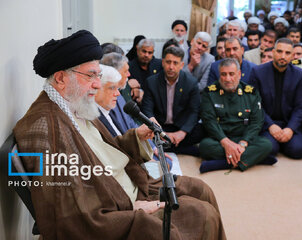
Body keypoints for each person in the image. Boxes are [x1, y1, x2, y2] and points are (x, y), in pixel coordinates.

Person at [15, 30, 225, 239]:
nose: (97, 84)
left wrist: (135, 137)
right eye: (90, 75)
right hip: (113, 212)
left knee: (200, 189)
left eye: (97, 75)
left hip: (128, 185)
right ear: (61, 78)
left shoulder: (75, 104)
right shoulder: (45, 127)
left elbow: (102, 151)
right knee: (203, 214)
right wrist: (134, 210)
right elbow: (69, 214)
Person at [199, 58, 273, 173]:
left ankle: (221, 163)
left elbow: (256, 122)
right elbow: (209, 121)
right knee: (204, 146)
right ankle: (250, 159)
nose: (227, 79)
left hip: (243, 138)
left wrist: (242, 144)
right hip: (220, 139)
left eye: (231, 74)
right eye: (223, 74)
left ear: (239, 74)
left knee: (267, 144)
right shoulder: (209, 93)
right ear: (219, 75)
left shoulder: (251, 93)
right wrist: (226, 143)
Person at [96, 64, 173, 169]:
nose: (118, 94)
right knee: (161, 169)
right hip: (123, 161)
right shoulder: (91, 117)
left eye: (117, 88)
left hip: (133, 149)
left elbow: (130, 122)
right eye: (112, 88)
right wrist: (140, 157)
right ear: (96, 89)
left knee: (167, 163)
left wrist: (152, 146)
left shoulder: (117, 98)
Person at [249, 38, 302, 159]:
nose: (283, 56)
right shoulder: (258, 72)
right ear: (274, 52)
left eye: (287, 53)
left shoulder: (298, 74)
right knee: (271, 149)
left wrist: (290, 129)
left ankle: (283, 141)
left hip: (288, 122)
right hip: (266, 122)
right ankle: (276, 142)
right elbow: (254, 104)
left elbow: (300, 106)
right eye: (279, 51)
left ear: (292, 56)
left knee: (298, 150)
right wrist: (270, 125)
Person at [142, 46, 203, 156]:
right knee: (142, 129)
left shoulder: (191, 83)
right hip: (159, 126)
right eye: (168, 62)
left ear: (181, 65)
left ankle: (166, 146)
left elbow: (195, 111)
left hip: (180, 127)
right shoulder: (151, 82)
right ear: (162, 63)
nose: (171, 67)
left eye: (175, 63)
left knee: (201, 129)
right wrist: (159, 131)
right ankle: (179, 148)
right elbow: (147, 110)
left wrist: (182, 133)